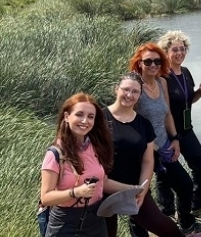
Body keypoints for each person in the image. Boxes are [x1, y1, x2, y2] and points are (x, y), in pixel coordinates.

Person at [104, 72, 201, 237]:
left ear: (140, 95)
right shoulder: (100, 119)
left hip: (135, 189)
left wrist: (143, 188)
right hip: (104, 190)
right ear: (116, 89)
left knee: (167, 229)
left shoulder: (143, 123)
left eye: (135, 91)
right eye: (125, 89)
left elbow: (147, 161)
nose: (129, 95)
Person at [129, 44, 201, 235]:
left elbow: (167, 115)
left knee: (185, 184)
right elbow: (126, 119)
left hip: (164, 146)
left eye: (157, 61)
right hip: (142, 150)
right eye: (148, 61)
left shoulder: (162, 82)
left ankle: (186, 222)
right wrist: (149, 146)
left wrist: (174, 139)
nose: (153, 65)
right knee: (139, 196)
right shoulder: (134, 86)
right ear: (139, 63)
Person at [39, 93, 143, 237]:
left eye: (90, 117)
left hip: (96, 221)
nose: (85, 121)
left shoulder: (95, 147)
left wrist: (132, 189)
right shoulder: (55, 154)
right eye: (79, 114)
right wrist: (76, 192)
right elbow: (46, 197)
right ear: (66, 117)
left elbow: (103, 181)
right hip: (65, 224)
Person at [156, 31, 201, 217]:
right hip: (167, 132)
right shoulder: (162, 77)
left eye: (182, 49)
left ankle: (196, 203)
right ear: (166, 51)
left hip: (186, 128)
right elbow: (165, 108)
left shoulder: (185, 72)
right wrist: (172, 136)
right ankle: (167, 213)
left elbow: (187, 100)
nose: (179, 53)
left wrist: (200, 92)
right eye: (174, 49)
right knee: (164, 174)